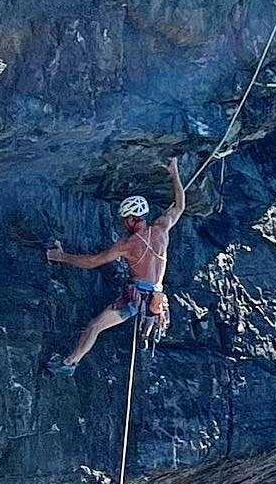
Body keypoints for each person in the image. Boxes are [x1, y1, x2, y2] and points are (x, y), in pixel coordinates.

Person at [45, 159, 185, 374]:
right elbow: (179, 206)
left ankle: (69, 363)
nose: (123, 224)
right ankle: (146, 332)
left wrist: (60, 257)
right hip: (156, 298)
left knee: (94, 326)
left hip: (135, 297)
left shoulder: (128, 245)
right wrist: (174, 171)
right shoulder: (162, 230)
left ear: (130, 218)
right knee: (148, 309)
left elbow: (92, 261)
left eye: (124, 220)